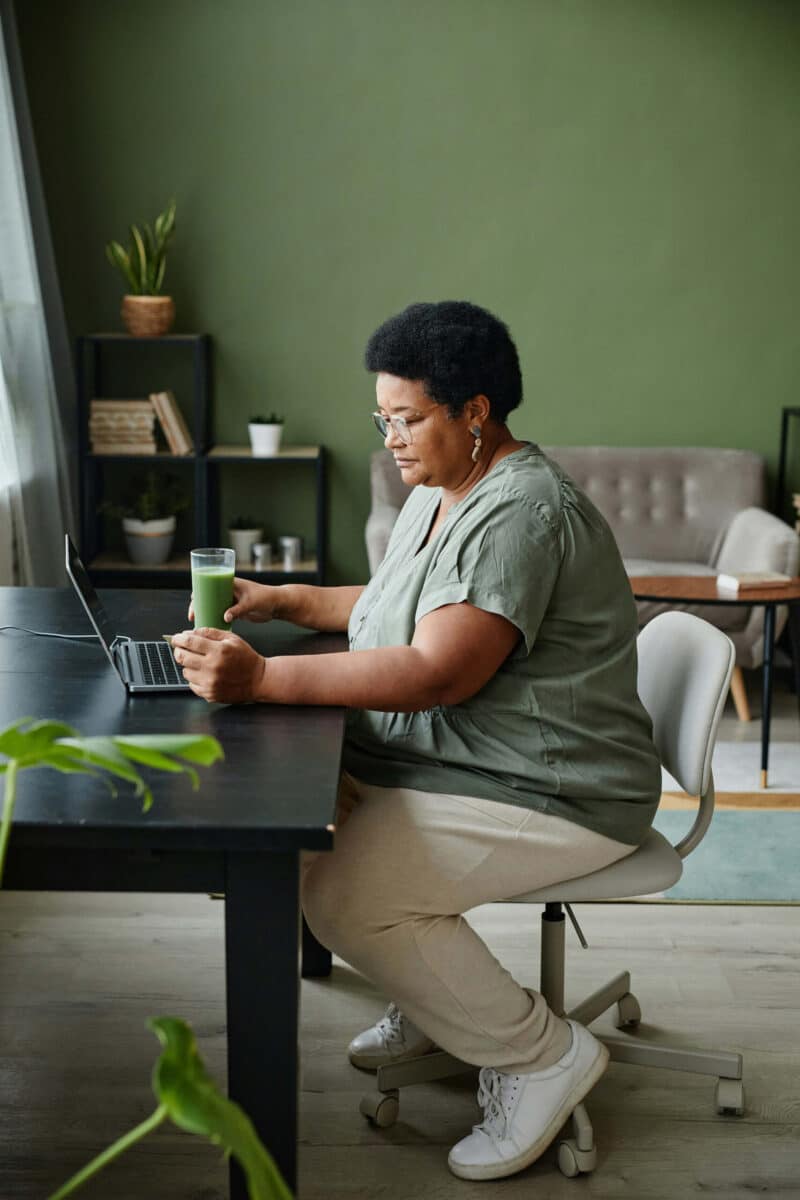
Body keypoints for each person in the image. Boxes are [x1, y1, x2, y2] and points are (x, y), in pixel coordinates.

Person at [171, 300, 662, 1181]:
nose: (391, 437)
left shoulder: (519, 512)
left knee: (345, 896)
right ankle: (445, 1000)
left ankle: (539, 1055)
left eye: (408, 418)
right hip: (481, 763)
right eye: (382, 417)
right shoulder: (443, 491)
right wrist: (282, 599)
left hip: (557, 786)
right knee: (310, 836)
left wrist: (265, 678)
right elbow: (391, 602)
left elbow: (440, 670)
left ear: (475, 412)